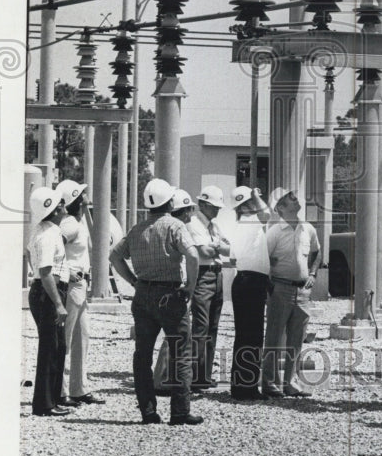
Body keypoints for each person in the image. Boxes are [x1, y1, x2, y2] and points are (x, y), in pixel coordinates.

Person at [109, 178, 203, 426]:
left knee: (143, 355)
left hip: (143, 295)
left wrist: (133, 281)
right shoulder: (175, 226)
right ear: (170, 201)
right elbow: (193, 255)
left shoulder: (136, 229)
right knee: (180, 353)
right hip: (171, 295)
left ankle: (148, 412)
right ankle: (180, 412)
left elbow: (114, 256)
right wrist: (190, 287)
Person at [261, 187, 321, 398]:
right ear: (280, 208)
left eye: (294, 197)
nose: (296, 201)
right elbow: (263, 259)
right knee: (274, 337)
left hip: (302, 291)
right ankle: (269, 382)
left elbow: (316, 252)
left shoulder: (308, 229)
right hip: (280, 288)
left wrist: (312, 274)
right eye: (290, 199)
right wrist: (271, 286)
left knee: (297, 338)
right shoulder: (274, 232)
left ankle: (290, 382)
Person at [55, 179, 105, 408]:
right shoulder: (69, 225)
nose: (86, 197)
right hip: (72, 284)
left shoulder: (78, 222)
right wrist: (66, 272)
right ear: (76, 199)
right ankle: (59, 390)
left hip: (80, 286)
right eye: (82, 195)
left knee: (82, 338)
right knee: (65, 340)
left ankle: (78, 389)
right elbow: (53, 248)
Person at [27, 186, 71, 417]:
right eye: (61, 204)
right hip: (49, 293)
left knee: (57, 347)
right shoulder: (47, 234)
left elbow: (28, 255)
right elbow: (45, 272)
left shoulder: (44, 230)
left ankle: (52, 399)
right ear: (53, 210)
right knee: (49, 348)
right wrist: (58, 303)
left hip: (48, 290)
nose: (64, 207)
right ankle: (44, 404)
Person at [225, 186, 272, 400]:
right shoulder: (252, 220)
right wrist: (257, 195)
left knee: (244, 335)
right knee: (252, 336)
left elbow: (233, 258)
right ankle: (247, 388)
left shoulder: (238, 225)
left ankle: (241, 386)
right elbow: (267, 213)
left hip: (243, 280)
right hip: (252, 281)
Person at [187, 185, 232, 390]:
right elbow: (204, 252)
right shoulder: (194, 224)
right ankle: (194, 374)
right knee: (201, 326)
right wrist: (217, 246)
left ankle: (203, 375)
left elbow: (229, 248)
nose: (217, 210)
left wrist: (215, 246)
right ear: (203, 204)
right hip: (204, 276)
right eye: (214, 206)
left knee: (212, 327)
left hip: (216, 275)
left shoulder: (213, 226)